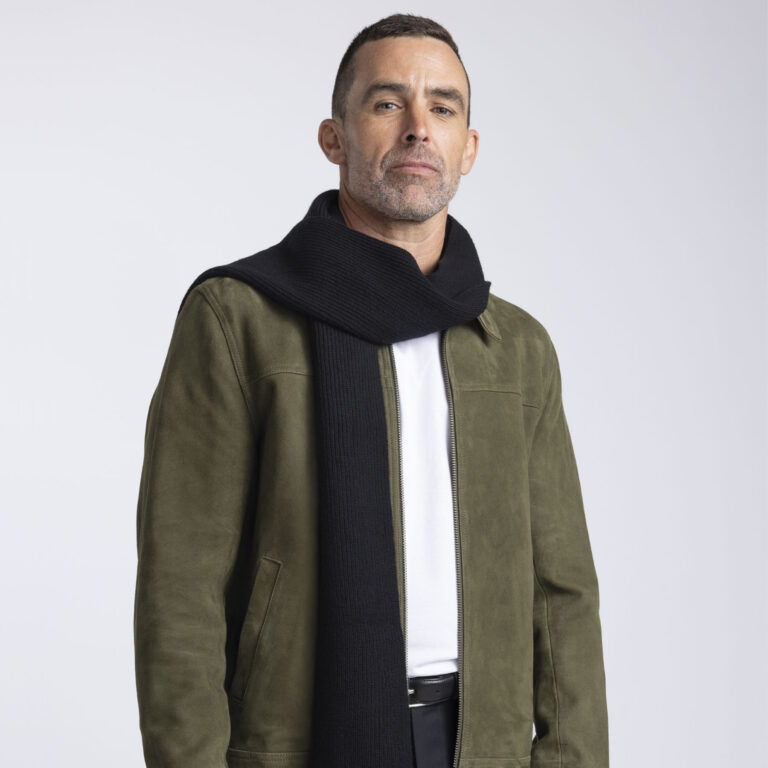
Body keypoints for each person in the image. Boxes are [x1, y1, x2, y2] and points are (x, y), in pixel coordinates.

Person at [133, 13, 609, 768]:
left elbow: (563, 593)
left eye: (443, 108)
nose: (419, 127)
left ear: (468, 148)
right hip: (298, 740)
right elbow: (180, 588)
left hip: (481, 744)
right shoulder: (238, 318)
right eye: (388, 103)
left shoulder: (517, 349)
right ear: (335, 137)